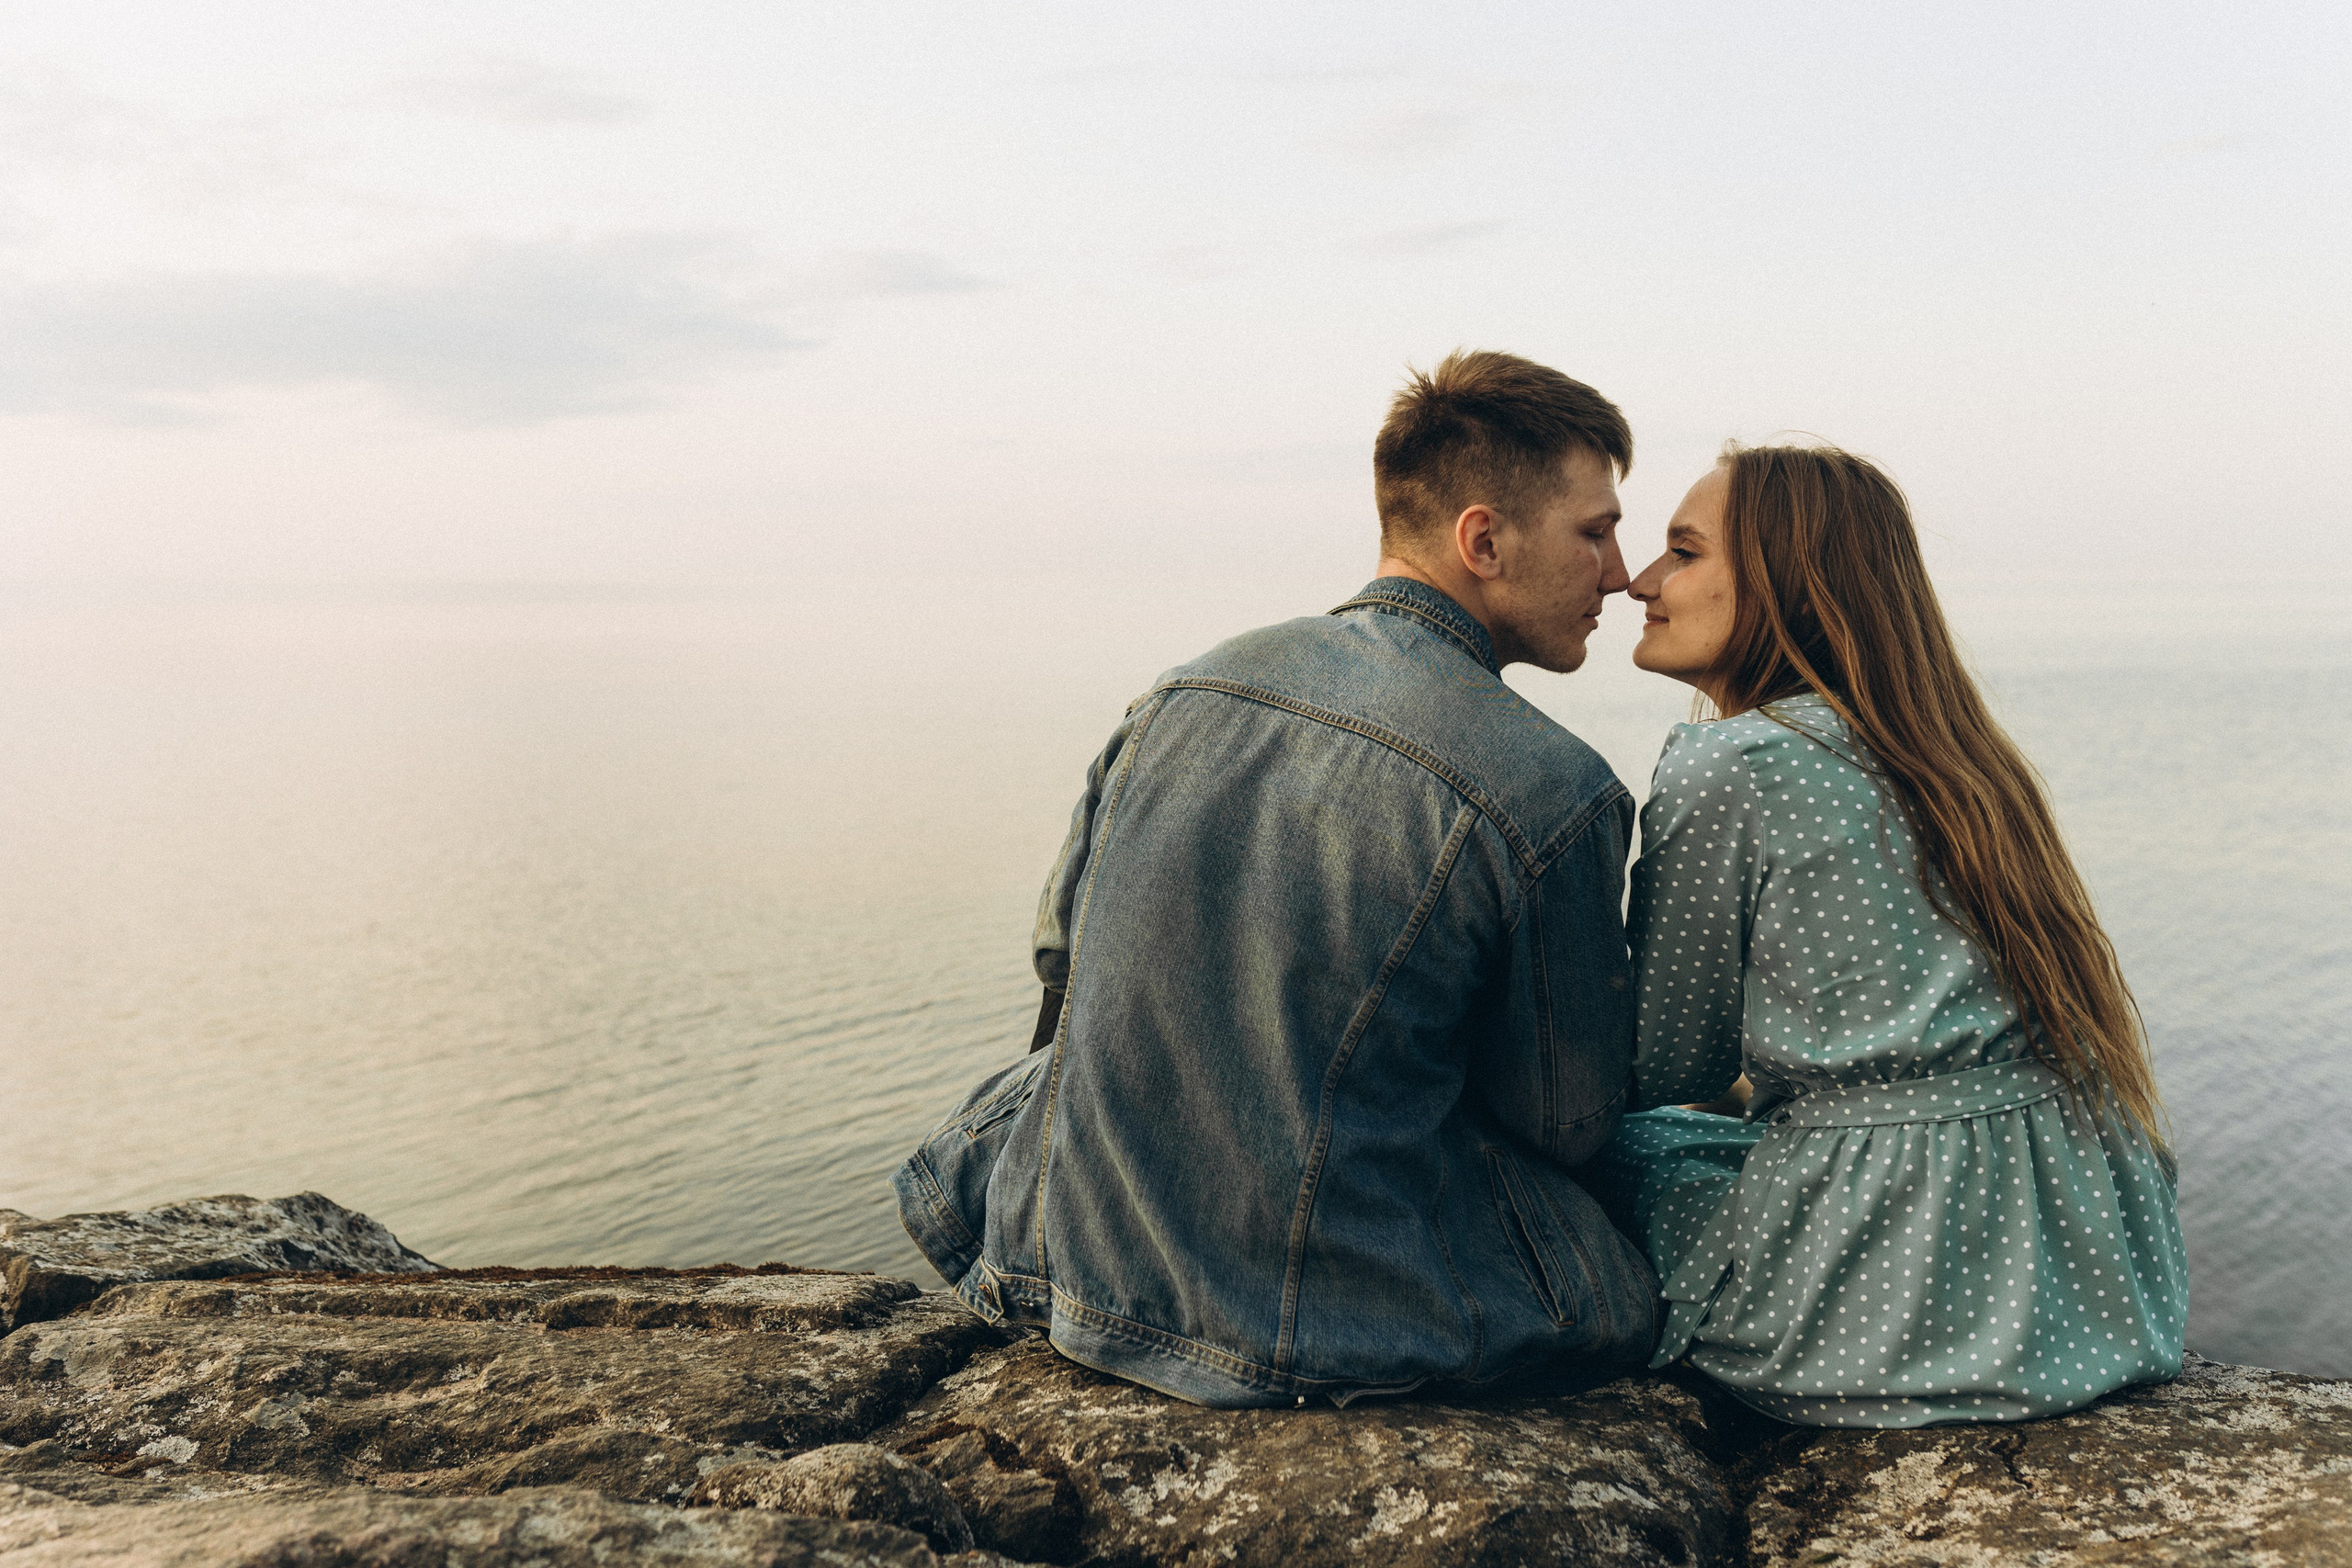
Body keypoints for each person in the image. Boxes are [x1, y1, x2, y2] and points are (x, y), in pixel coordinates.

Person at [894, 350, 1660, 1407]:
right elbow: (1562, 1122)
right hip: (1321, 1321)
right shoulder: (1553, 790)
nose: (1618, 574)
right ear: (1482, 539)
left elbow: (1061, 978)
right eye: (1595, 531)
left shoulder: (1182, 689)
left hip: (1069, 1256)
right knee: (1649, 1225)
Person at [1591, 443, 2188, 1426]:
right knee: (1702, 1147)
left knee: (1599, 1158)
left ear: (1790, 587)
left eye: (1681, 553)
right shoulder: (1952, 755)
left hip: (1886, 1273)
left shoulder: (1732, 763)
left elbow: (1665, 1057)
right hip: (2086, 1271)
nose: (1640, 582)